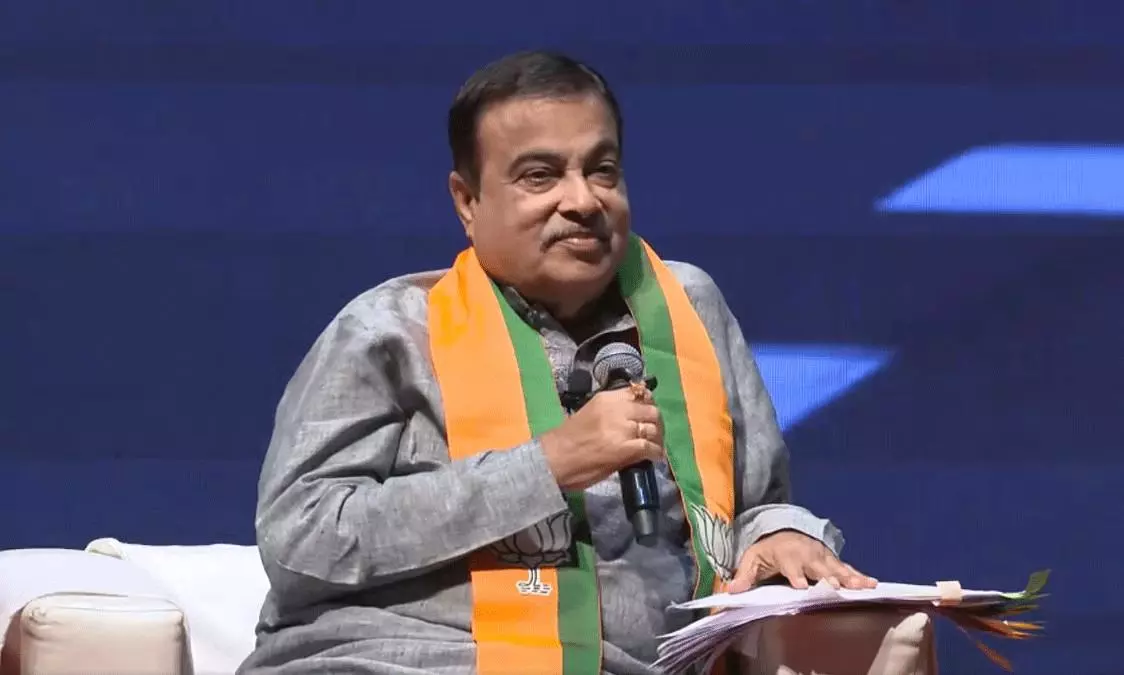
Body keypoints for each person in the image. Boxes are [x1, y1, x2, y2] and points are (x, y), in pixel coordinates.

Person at [239, 51, 875, 675]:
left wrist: (780, 534)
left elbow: (753, 504)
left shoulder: (689, 306)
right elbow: (302, 541)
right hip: (399, 657)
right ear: (467, 201)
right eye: (540, 176)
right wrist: (545, 467)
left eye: (602, 170)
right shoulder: (392, 330)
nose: (583, 200)